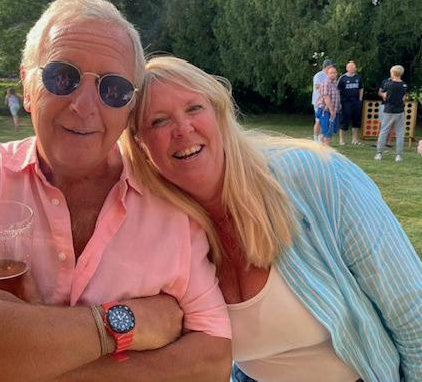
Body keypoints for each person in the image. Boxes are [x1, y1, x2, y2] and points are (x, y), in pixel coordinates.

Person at [0, 0, 231, 381]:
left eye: (113, 89)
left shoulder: (171, 204)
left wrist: (20, 349)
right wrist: (119, 324)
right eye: (62, 77)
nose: (84, 105)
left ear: (129, 108)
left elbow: (212, 359)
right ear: (27, 85)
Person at [123, 55, 422, 382]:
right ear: (140, 144)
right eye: (159, 121)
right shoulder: (160, 230)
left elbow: (412, 313)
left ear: (219, 114)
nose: (183, 129)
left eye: (194, 108)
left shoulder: (318, 177)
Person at [375, 65, 409, 162]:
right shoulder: (404, 85)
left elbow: (384, 95)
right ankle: (398, 155)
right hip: (400, 111)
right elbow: (404, 99)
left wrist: (384, 94)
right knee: (400, 133)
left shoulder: (388, 84)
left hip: (389, 110)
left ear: (393, 73)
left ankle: (379, 153)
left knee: (383, 132)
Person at [337, 60, 363, 146]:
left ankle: (355, 139)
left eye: (354, 67)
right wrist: (339, 102)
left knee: (356, 120)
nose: (353, 68)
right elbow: (338, 90)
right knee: (344, 120)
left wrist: (360, 99)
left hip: (356, 102)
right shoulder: (343, 78)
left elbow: (361, 88)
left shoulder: (358, 77)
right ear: (347, 68)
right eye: (351, 67)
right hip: (345, 102)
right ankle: (341, 140)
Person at [315, 65, 340, 146]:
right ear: (328, 74)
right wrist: (331, 110)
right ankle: (327, 149)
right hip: (326, 110)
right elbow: (326, 98)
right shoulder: (326, 83)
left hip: (332, 110)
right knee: (327, 132)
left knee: (328, 131)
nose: (333, 74)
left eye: (334, 73)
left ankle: (322, 148)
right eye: (331, 73)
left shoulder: (334, 84)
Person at [312, 59, 335, 142]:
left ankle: (321, 138)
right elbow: (316, 86)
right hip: (319, 102)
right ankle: (315, 138)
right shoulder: (319, 75)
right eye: (331, 66)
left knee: (325, 121)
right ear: (327, 66)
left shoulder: (330, 75)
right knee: (318, 120)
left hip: (327, 102)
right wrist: (326, 85)